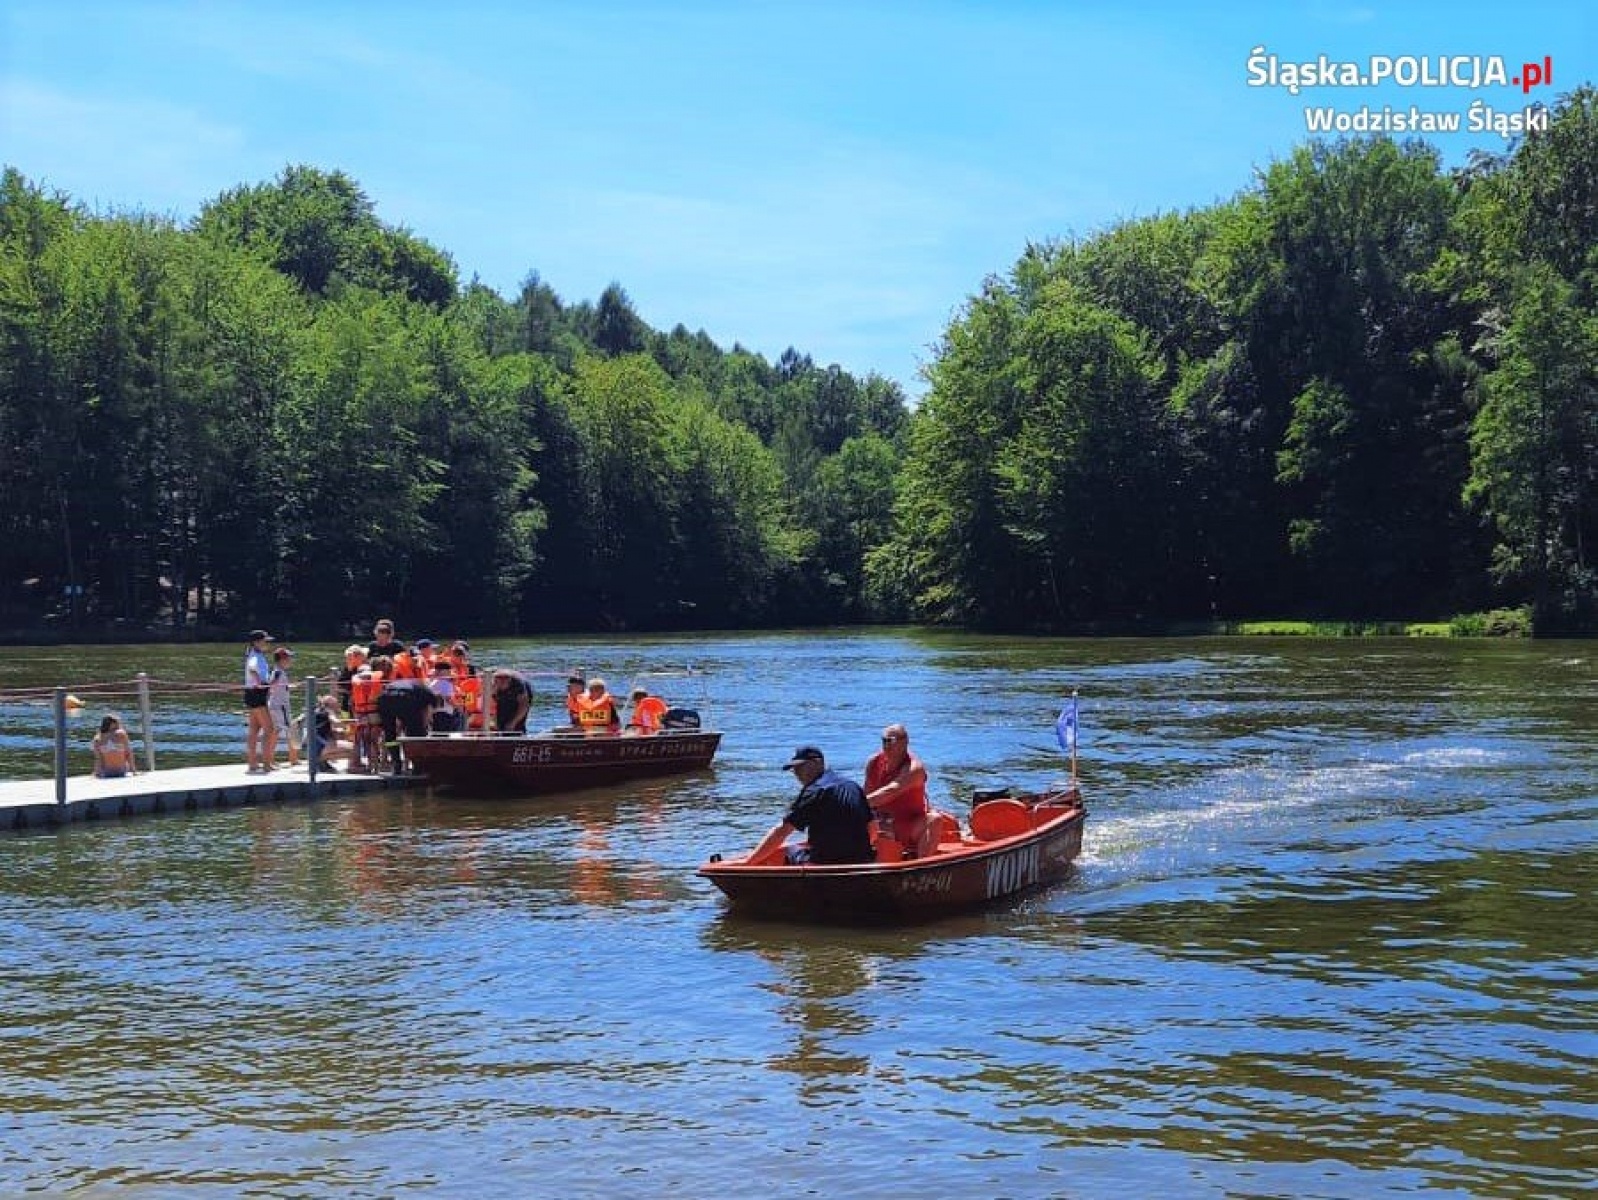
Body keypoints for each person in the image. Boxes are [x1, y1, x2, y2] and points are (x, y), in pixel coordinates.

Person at [748, 746, 874, 866]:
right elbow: (873, 828)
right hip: (863, 860)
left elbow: (782, 831)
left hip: (824, 863)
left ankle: (796, 888)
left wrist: (749, 862)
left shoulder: (814, 790)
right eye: (794, 770)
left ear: (817, 763)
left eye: (800, 767)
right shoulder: (853, 786)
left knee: (790, 851)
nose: (797, 774)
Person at [864, 723, 936, 858]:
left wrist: (855, 803)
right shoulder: (873, 762)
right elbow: (866, 794)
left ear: (905, 742)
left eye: (890, 741)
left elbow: (891, 791)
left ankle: (921, 868)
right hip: (881, 822)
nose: (886, 745)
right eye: (883, 741)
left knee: (935, 819)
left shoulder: (914, 769)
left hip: (909, 825)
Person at [376, 675, 440, 773]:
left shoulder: (417, 686)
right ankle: (417, 766)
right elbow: (429, 712)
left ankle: (396, 764)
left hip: (384, 698)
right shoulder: (428, 694)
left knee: (390, 733)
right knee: (416, 735)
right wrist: (424, 726)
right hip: (407, 699)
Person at [243, 630, 275, 774]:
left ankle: (252, 763)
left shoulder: (256, 654)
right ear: (256, 642)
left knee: (254, 730)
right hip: (257, 693)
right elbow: (252, 668)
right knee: (269, 729)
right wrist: (260, 682)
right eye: (265, 641)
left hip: (252, 694)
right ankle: (267, 764)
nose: (267, 643)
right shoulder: (254, 656)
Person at [267, 645, 300, 769]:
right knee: (292, 730)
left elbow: (278, 686)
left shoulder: (279, 672)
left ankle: (270, 760)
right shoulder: (278, 672)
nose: (290, 661)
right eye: (288, 658)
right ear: (282, 660)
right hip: (280, 707)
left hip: (277, 706)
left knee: (276, 732)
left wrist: (290, 686)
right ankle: (293, 759)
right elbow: (271, 686)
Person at [310, 694, 356, 771]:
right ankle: (353, 767)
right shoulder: (328, 711)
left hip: (309, 748)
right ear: (331, 705)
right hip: (317, 748)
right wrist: (354, 722)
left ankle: (322, 762)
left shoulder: (317, 711)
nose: (339, 705)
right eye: (336, 703)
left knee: (337, 739)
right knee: (355, 749)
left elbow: (324, 729)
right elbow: (336, 722)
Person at [92, 713, 138, 778]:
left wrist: (96, 773)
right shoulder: (121, 734)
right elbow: (128, 753)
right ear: (112, 724)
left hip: (106, 771)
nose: (119, 725)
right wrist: (134, 771)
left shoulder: (97, 738)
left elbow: (99, 759)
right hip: (122, 770)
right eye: (118, 723)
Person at [489, 668, 533, 734]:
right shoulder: (491, 684)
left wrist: (513, 723)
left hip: (519, 698)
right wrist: (494, 721)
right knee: (498, 724)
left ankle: (519, 738)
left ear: (509, 680)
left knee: (516, 725)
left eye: (503, 682)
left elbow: (524, 706)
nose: (501, 684)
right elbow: (491, 704)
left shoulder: (518, 684)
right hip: (502, 696)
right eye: (499, 682)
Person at [429, 658, 461, 732]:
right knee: (446, 736)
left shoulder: (432, 683)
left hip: (435, 714)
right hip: (445, 715)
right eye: (448, 670)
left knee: (437, 736)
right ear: (441, 671)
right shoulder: (445, 683)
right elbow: (449, 699)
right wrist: (458, 706)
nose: (450, 672)